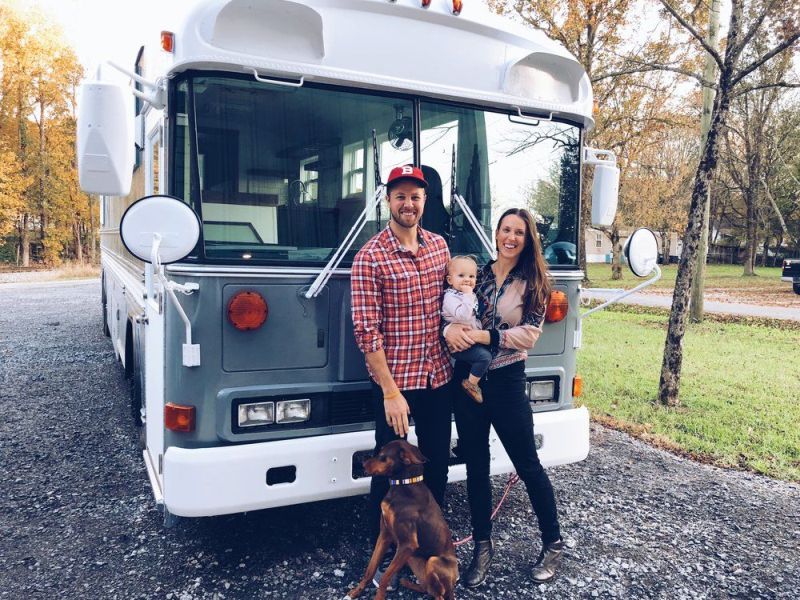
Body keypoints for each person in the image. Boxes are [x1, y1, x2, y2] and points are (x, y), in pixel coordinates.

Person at [445, 207, 564, 587]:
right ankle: (482, 547)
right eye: (505, 229)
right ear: (496, 233)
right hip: (467, 380)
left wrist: (487, 337)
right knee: (475, 466)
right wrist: (449, 332)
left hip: (507, 380)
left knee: (527, 464)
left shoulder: (536, 283)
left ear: (528, 240)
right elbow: (452, 308)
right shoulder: (475, 274)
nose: (510, 237)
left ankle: (553, 543)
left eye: (519, 232)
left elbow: (529, 334)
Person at [351, 164, 453, 588]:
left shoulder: (440, 248)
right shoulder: (370, 256)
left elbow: (455, 304)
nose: (408, 204)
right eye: (400, 196)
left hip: (438, 377)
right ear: (388, 201)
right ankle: (385, 553)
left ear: (424, 201)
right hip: (399, 386)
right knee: (390, 475)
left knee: (437, 466)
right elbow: (366, 330)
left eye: (415, 196)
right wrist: (391, 392)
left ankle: (429, 549)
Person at [441, 255, 492, 403]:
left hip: (470, 340)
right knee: (485, 357)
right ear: (450, 280)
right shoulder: (451, 297)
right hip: (459, 345)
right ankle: (471, 384)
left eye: (471, 276)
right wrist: (468, 295)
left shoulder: (465, 295)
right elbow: (463, 316)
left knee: (486, 355)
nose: (467, 280)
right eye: (461, 275)